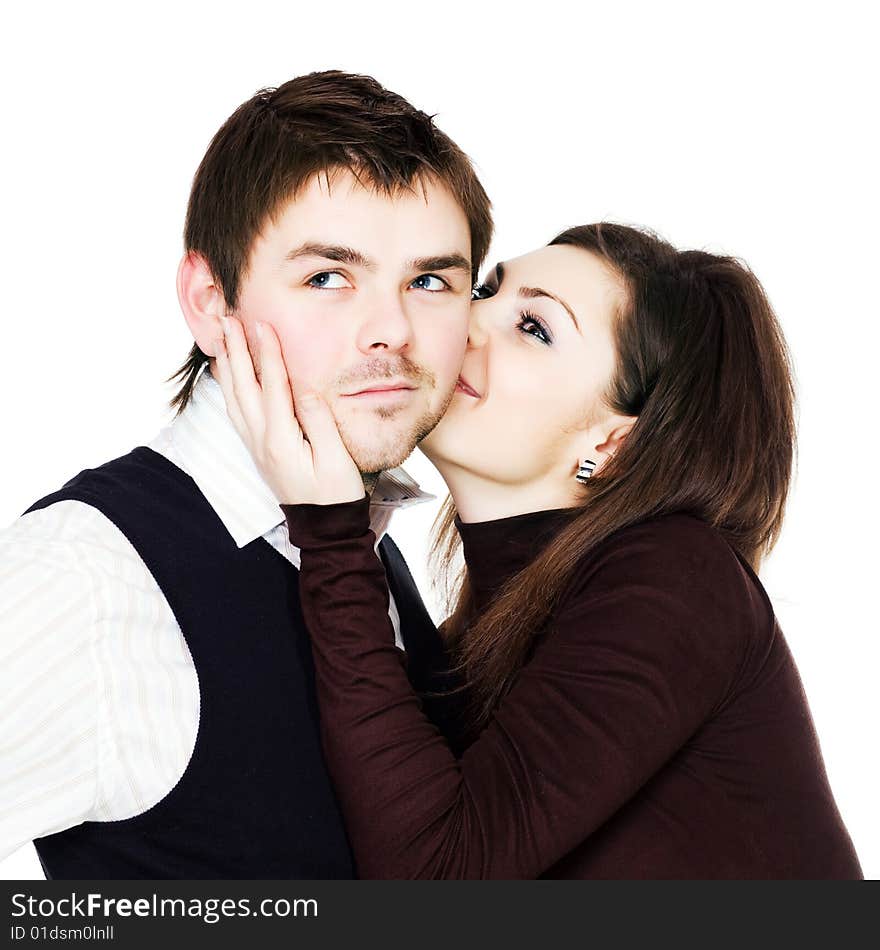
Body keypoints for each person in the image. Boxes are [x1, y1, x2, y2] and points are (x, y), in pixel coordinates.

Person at [215, 222, 864, 879]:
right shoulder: (472, 644)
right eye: (486, 289)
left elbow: (434, 878)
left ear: (613, 445)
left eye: (533, 328)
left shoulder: (677, 579)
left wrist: (331, 530)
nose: (464, 321)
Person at [0, 70, 492, 878]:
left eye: (430, 281)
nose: (393, 331)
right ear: (208, 300)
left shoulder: (361, 538)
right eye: (328, 277)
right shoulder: (86, 580)